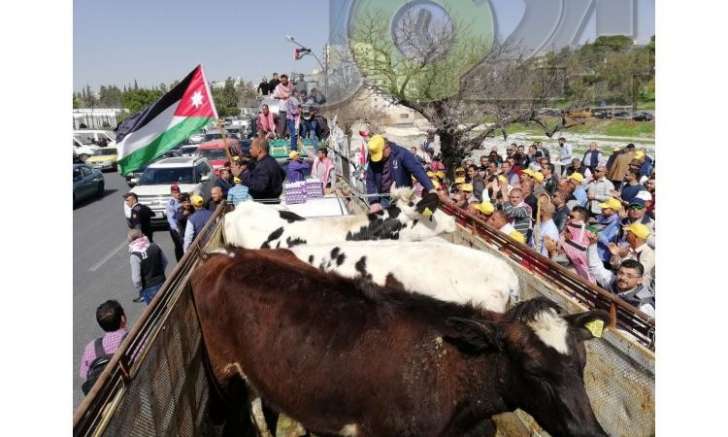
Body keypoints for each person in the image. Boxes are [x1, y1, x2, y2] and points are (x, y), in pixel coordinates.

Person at [587, 238, 654, 318]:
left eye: (629, 276)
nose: (623, 278)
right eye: (621, 273)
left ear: (639, 280)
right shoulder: (612, 281)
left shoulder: (643, 304)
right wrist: (593, 244)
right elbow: (595, 267)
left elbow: (645, 327)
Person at [365, 135, 434, 212]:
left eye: (380, 155)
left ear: (387, 147)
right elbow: (370, 180)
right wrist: (374, 202)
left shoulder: (402, 154)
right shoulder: (374, 160)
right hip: (383, 200)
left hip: (403, 198)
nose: (379, 159)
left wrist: (430, 188)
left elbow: (418, 170)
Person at [79, 300, 129, 393]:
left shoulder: (91, 347)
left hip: (108, 396)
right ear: (123, 318)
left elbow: (85, 375)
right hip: (132, 386)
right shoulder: (133, 337)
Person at [608, 222, 655, 288]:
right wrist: (616, 255)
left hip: (636, 291)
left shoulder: (650, 254)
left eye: (629, 233)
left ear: (636, 237)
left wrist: (622, 256)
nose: (626, 235)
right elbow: (614, 267)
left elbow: (637, 272)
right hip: (619, 282)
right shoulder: (627, 247)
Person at [128, 229, 167, 304]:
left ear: (131, 241)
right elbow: (165, 262)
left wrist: (141, 288)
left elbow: (136, 280)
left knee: (157, 312)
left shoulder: (135, 255)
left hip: (149, 288)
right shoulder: (155, 246)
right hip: (163, 281)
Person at [593, 197, 623, 263]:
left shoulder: (616, 223)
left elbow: (610, 241)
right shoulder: (603, 217)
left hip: (603, 256)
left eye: (605, 208)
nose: (602, 209)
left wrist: (596, 231)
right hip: (595, 251)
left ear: (613, 210)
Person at [165, 184, 184, 261]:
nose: (178, 193)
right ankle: (180, 261)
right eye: (175, 192)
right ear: (171, 193)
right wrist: (177, 229)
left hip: (180, 226)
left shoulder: (179, 200)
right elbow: (171, 218)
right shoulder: (171, 202)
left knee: (182, 244)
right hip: (175, 228)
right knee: (179, 246)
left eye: (178, 191)